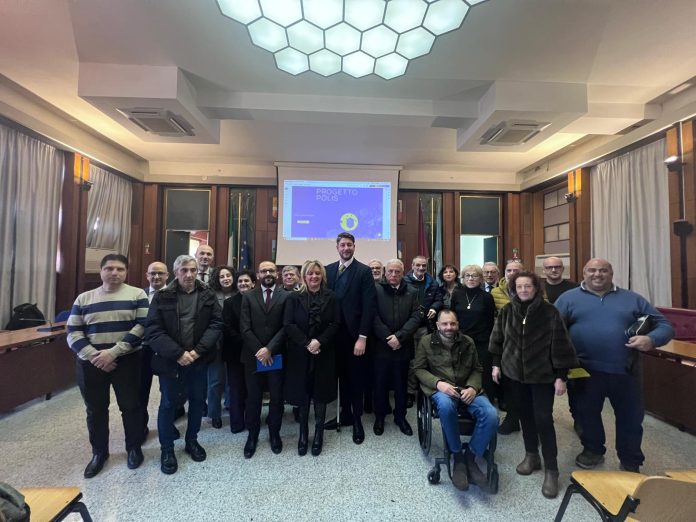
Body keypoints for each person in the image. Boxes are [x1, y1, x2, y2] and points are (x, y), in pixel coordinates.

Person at [555, 258, 674, 473]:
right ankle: (593, 450)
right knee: (586, 414)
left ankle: (630, 460)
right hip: (584, 370)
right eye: (592, 270)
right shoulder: (568, 299)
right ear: (584, 273)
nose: (597, 274)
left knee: (631, 418)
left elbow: (664, 325)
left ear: (611, 273)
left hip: (626, 370)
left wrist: (651, 339)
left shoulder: (632, 299)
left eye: (603, 270)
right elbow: (552, 329)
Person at [489, 271, 578, 498]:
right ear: (513, 289)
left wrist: (561, 376)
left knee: (543, 419)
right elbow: (497, 340)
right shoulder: (507, 311)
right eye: (519, 287)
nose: (523, 290)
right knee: (524, 416)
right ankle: (531, 456)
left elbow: (561, 345)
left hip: (542, 377)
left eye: (528, 286)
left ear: (536, 288)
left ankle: (552, 470)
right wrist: (496, 364)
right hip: (514, 375)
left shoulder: (550, 312)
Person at [67, 254, 149, 478]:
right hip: (90, 363)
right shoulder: (84, 298)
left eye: (120, 269)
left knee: (131, 406)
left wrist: (113, 353)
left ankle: (133, 448)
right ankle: (99, 453)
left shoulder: (137, 294)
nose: (114, 273)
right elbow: (73, 332)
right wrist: (95, 356)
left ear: (126, 272)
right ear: (101, 271)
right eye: (109, 268)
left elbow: (142, 326)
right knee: (95, 410)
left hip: (127, 360)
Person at [146, 254, 222, 475]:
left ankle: (192, 440)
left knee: (197, 402)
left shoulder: (207, 294)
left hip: (198, 359)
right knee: (168, 404)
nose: (189, 275)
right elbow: (153, 330)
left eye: (193, 270)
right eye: (184, 270)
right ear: (176, 272)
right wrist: (178, 354)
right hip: (171, 361)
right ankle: (167, 450)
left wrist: (197, 352)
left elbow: (216, 324)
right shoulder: (162, 296)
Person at [413, 309, 498, 491]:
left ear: (457, 325)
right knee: (445, 406)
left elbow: (477, 368)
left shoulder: (468, 342)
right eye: (444, 324)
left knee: (491, 415)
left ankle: (470, 457)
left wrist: (472, 387)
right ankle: (457, 456)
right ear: (438, 325)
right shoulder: (426, 342)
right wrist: (438, 384)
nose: (449, 327)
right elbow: (418, 369)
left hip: (467, 389)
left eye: (452, 323)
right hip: (442, 389)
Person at [283, 260, 339, 456]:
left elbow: (335, 323)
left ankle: (318, 434)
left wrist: (319, 342)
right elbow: (288, 324)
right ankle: (303, 434)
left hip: (324, 352)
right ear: (304, 276)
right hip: (300, 353)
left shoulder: (332, 297)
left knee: (320, 393)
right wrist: (307, 343)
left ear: (322, 276)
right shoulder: (293, 297)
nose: (314, 276)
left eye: (317, 273)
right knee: (303, 393)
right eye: (310, 273)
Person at [326, 232, 376, 445]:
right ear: (337, 247)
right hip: (333, 336)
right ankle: (344, 414)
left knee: (356, 379)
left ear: (354, 247)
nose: (346, 248)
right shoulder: (328, 270)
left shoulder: (363, 271)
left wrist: (362, 337)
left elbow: (369, 306)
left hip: (355, 337)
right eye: (343, 245)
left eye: (349, 245)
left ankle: (356, 420)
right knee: (340, 378)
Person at [240, 261, 289, 458]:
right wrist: (260, 350)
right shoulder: (248, 296)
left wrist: (270, 349)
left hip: (276, 355)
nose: (267, 273)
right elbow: (244, 327)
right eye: (263, 271)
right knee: (253, 398)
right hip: (253, 356)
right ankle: (252, 435)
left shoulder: (286, 296)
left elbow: (286, 326)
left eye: (271, 270)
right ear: (258, 275)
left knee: (277, 397)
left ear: (276, 274)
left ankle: (274, 433)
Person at [373, 259, 421, 437]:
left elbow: (416, 317)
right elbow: (373, 316)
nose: (393, 275)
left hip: (403, 345)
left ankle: (400, 417)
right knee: (380, 384)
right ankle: (379, 417)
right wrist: (388, 337)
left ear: (403, 273)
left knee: (401, 385)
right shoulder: (376, 290)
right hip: (381, 346)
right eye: (390, 271)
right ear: (385, 272)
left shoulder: (412, 291)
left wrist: (399, 337)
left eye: (397, 272)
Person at [450, 265, 496, 401]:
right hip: (460, 339)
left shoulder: (487, 297)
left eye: (474, 276)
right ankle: (463, 398)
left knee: (483, 370)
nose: (471, 278)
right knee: (461, 370)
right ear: (463, 278)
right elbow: (453, 317)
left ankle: (486, 399)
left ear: (481, 279)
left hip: (481, 340)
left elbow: (490, 321)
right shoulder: (457, 294)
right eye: (467, 275)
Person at [490, 259, 524, 434]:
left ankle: (532, 421)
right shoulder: (495, 292)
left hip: (530, 346)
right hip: (506, 345)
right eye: (509, 270)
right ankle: (512, 419)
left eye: (516, 270)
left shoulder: (534, 289)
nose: (512, 273)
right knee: (509, 385)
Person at [221, 270, 256, 434]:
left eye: (246, 281)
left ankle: (251, 420)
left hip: (254, 352)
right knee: (236, 388)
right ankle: (236, 423)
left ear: (253, 283)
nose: (243, 284)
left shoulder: (259, 301)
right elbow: (227, 327)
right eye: (240, 281)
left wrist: (253, 343)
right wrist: (247, 340)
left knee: (251, 388)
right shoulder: (229, 303)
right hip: (235, 352)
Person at [140, 261, 169, 441]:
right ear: (147, 275)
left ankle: (168, 425)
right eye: (152, 273)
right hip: (143, 350)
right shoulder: (138, 296)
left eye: (160, 273)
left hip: (167, 350)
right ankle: (141, 427)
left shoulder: (175, 294)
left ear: (167, 276)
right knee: (141, 391)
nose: (156, 277)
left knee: (168, 391)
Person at [206, 265, 237, 429]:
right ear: (217, 279)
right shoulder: (210, 294)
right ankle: (214, 413)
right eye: (222, 276)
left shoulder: (240, 292)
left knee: (232, 378)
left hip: (234, 342)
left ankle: (231, 405)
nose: (226, 279)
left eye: (228, 275)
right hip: (216, 342)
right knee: (215, 380)